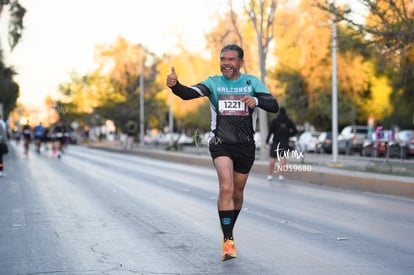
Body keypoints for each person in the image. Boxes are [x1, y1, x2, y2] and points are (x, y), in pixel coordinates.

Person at [166, 44, 279, 261]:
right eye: (223, 59)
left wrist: (255, 100)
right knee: (226, 187)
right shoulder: (213, 83)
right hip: (221, 143)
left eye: (231, 59)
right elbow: (188, 93)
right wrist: (175, 85)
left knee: (237, 193)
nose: (226, 63)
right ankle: (228, 242)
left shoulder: (251, 82)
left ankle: (228, 232)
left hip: (245, 145)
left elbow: (274, 105)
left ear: (240, 62)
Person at [265, 107, 298, 181]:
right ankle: (281, 176)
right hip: (284, 142)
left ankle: (270, 175)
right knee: (283, 159)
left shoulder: (275, 121)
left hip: (276, 142)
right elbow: (295, 131)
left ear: (279, 113)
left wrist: (267, 141)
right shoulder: (289, 121)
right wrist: (289, 135)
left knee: (273, 159)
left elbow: (270, 132)